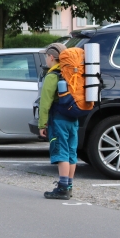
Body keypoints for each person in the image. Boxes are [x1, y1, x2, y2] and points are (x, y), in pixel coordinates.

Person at [38, 43, 78, 200]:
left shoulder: (53, 76)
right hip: (73, 118)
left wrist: (42, 123)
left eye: (46, 56)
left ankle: (62, 188)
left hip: (58, 119)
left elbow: (45, 102)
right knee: (71, 152)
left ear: (51, 57)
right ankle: (69, 186)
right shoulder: (72, 72)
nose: (46, 60)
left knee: (61, 151)